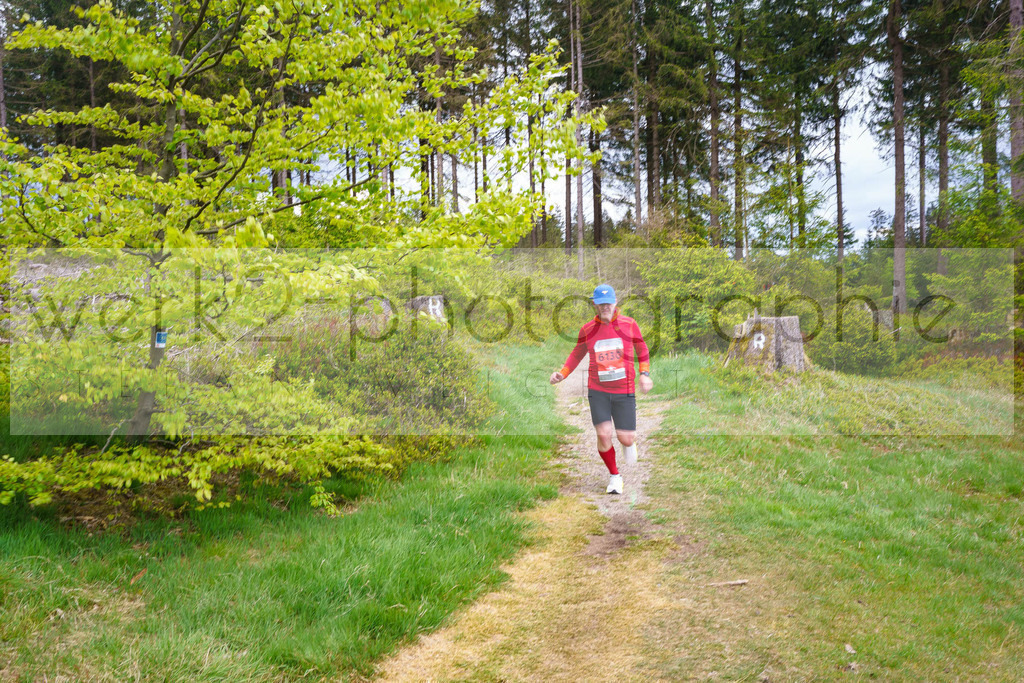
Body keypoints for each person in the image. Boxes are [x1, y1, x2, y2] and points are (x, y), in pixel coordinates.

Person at [550, 284, 652, 494]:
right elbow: (577, 354)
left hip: (624, 390)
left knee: (626, 438)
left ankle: (628, 442)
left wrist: (644, 373)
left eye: (608, 303)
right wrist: (563, 373)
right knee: (604, 435)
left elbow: (642, 348)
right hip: (598, 390)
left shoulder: (629, 324)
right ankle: (615, 477)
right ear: (595, 305)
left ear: (615, 303)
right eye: (601, 303)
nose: (605, 307)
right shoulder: (587, 329)